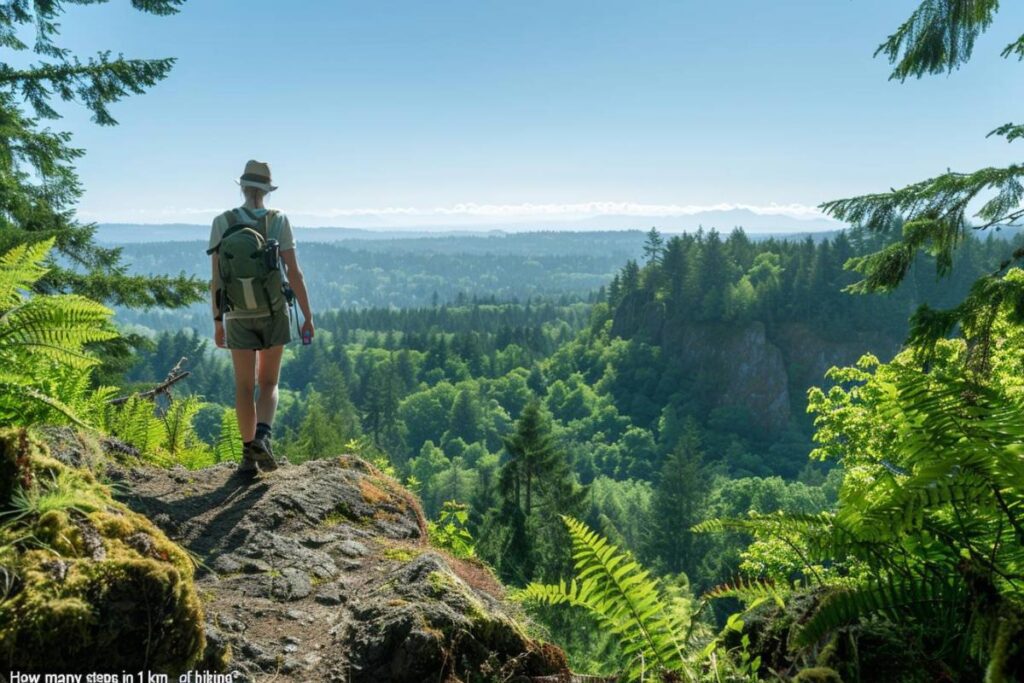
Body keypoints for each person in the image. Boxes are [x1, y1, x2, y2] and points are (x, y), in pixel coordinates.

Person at [208, 160, 314, 475]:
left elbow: (216, 278)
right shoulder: (278, 221)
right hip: (272, 312)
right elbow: (294, 273)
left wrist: (218, 321)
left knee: (244, 386)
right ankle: (263, 437)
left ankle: (247, 457)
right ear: (267, 190)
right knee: (268, 382)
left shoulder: (222, 222)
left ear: (242, 187)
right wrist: (307, 316)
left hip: (237, 314)